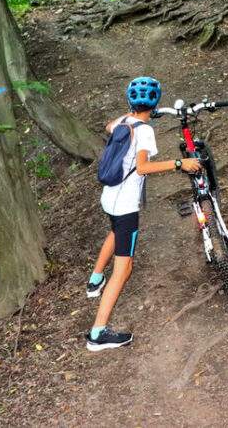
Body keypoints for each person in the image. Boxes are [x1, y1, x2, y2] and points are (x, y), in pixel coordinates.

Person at [85, 76, 202, 351]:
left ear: (129, 101)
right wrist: (179, 163)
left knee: (113, 233)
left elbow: (108, 126)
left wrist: (136, 116)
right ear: (155, 103)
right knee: (124, 269)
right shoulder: (145, 132)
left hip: (109, 199)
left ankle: (94, 279)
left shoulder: (122, 122)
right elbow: (142, 168)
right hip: (126, 207)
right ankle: (98, 334)